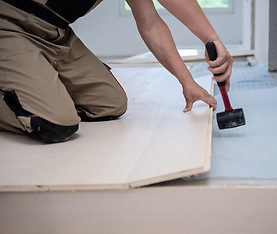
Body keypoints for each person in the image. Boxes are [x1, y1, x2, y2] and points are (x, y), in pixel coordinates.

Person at [0, 0, 233, 143]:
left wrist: (187, 81)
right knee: (56, 123)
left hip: (55, 32)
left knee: (110, 104)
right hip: (9, 23)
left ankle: (29, 80)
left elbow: (150, 23)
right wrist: (209, 37)